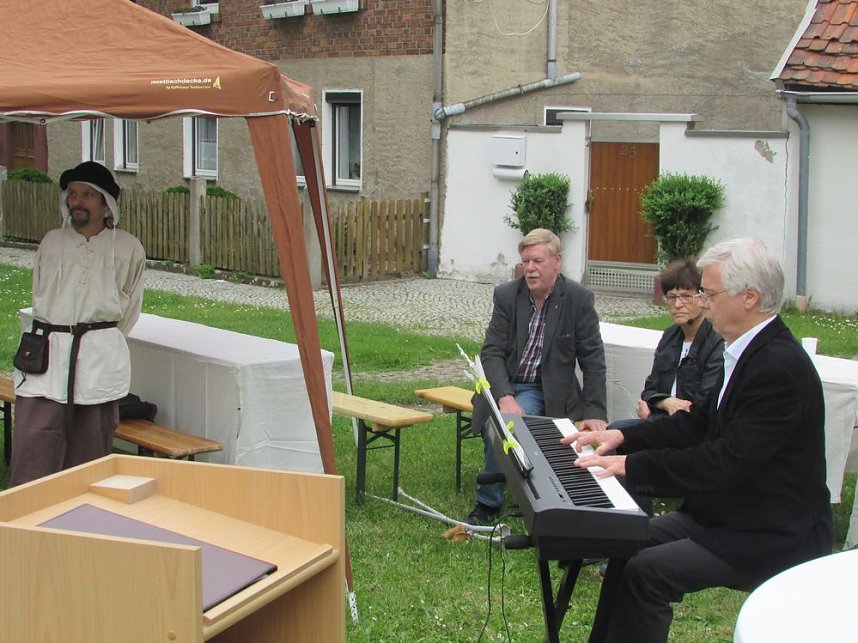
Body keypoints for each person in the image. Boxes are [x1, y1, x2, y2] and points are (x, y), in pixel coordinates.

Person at [565, 237, 833, 643]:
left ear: (750, 297)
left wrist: (631, 466)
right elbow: (697, 423)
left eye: (709, 294)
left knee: (646, 572)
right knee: (621, 539)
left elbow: (726, 461)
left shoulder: (778, 367)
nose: (703, 304)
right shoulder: (743, 350)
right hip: (726, 515)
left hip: (771, 531)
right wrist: (624, 435)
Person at [10, 161, 146, 486]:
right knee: (35, 439)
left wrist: (95, 337)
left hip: (98, 355)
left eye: (87, 194)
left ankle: (82, 514)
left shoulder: (128, 248)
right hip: (48, 352)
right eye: (73, 194)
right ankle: (28, 511)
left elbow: (129, 308)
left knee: (90, 444)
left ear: (105, 203)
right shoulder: (52, 242)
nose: (77, 201)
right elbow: (39, 292)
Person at [465, 228, 607, 525]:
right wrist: (504, 395)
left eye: (537, 261)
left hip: (546, 387)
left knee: (510, 423)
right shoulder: (507, 295)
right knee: (503, 420)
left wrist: (595, 410)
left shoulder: (578, 299)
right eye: (526, 261)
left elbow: (593, 359)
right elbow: (491, 351)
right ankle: (490, 501)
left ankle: (497, 499)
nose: (529, 268)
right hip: (505, 382)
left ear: (557, 261)